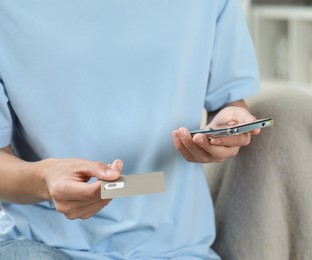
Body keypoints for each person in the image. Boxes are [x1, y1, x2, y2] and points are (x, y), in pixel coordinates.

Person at [0, 0, 260, 259]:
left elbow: (228, 102)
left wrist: (228, 127)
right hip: (39, 244)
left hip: (176, 249)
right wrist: (45, 178)